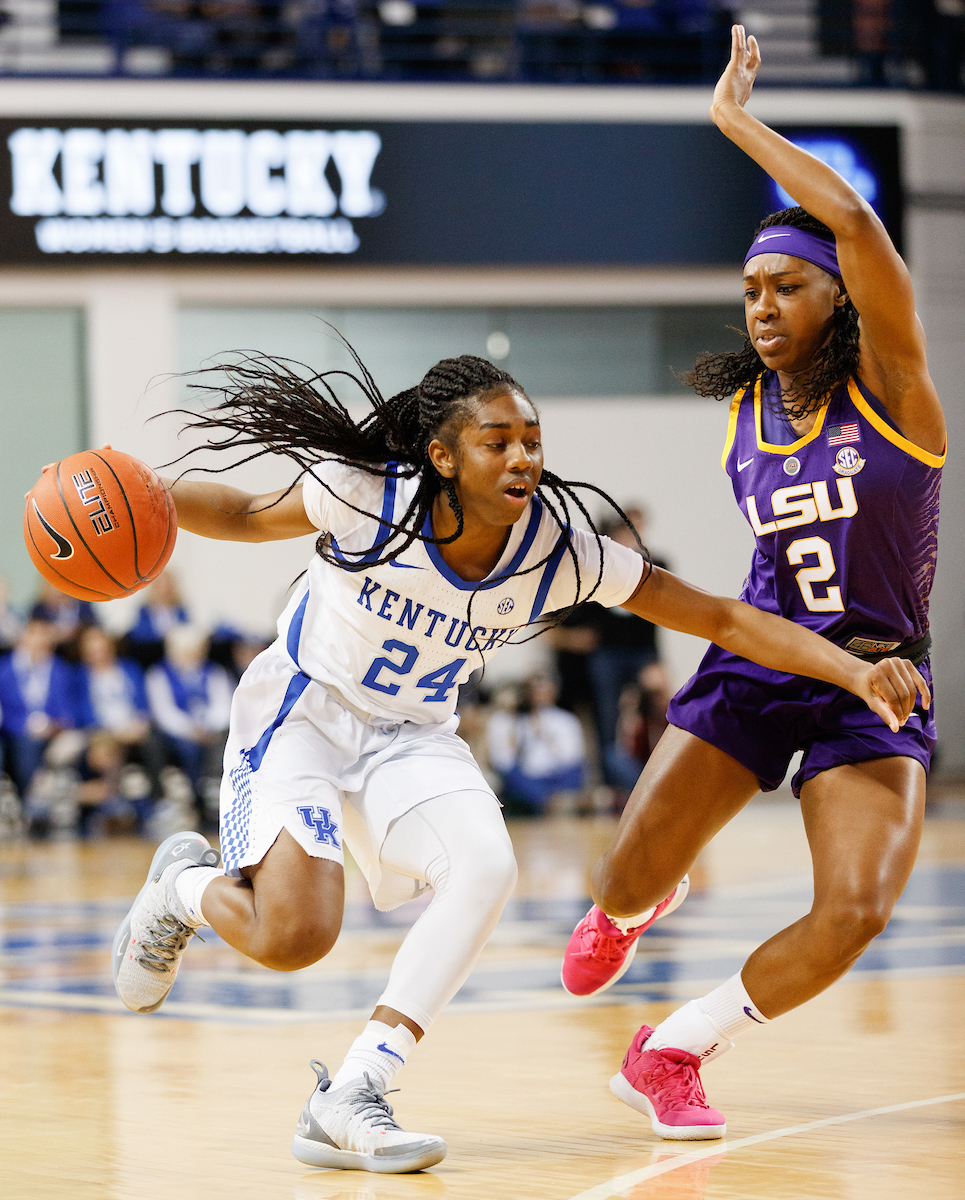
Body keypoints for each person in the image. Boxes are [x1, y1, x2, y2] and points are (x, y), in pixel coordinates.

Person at [105, 350, 923, 1175]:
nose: (523, 457)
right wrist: (124, 488)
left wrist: (853, 670)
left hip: (412, 737)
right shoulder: (367, 494)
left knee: (488, 866)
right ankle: (179, 890)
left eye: (532, 440)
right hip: (300, 720)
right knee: (294, 938)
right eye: (498, 442)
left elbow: (723, 618)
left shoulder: (558, 551)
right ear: (443, 456)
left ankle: (354, 1089)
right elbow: (245, 513)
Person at [561, 25, 944, 1143]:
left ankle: (675, 1045)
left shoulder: (897, 397)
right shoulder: (742, 413)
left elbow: (859, 221)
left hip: (874, 681)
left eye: (785, 285)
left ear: (839, 299)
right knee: (624, 875)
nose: (761, 305)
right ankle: (641, 903)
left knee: (856, 908)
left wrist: (731, 120)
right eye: (747, 290)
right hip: (757, 660)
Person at [144, 625, 234, 805]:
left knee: (224, 743)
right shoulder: (159, 674)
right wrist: (190, 730)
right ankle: (174, 800)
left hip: (210, 732)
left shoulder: (214, 672)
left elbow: (225, 706)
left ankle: (213, 798)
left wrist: (208, 727)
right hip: (176, 734)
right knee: (168, 746)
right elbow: (164, 712)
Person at [487, 673, 586, 814]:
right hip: (527, 777)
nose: (539, 695)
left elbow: (573, 757)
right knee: (515, 778)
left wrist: (546, 736)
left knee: (575, 772)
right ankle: (546, 803)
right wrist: (516, 732)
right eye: (534, 690)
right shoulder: (509, 721)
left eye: (545, 689)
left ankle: (557, 802)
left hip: (558, 775)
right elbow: (503, 761)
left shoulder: (566, 720)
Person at [0, 620, 77, 797]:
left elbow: (66, 707)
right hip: (17, 732)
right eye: (34, 635)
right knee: (28, 745)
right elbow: (5, 710)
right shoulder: (5, 669)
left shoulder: (59, 669)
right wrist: (26, 727)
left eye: (43, 637)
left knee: (70, 746)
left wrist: (55, 726)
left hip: (54, 730)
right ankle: (30, 798)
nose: (39, 642)